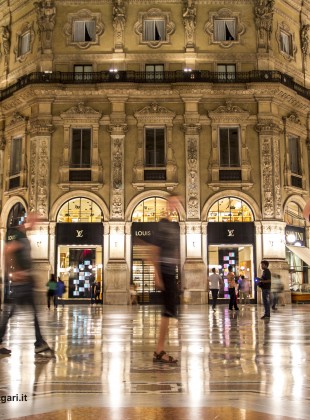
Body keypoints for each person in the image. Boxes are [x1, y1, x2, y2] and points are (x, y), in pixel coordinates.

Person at [0, 212, 53, 356]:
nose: (36, 223)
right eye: (34, 220)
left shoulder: (23, 235)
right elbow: (7, 252)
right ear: (28, 220)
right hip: (22, 282)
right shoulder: (17, 234)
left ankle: (39, 342)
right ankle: (39, 343)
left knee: (15, 312)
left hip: (26, 281)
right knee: (24, 312)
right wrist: (16, 272)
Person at [139, 194, 180, 364]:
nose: (175, 205)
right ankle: (159, 350)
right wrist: (157, 274)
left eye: (177, 202)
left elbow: (173, 250)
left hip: (171, 271)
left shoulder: (174, 226)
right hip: (164, 271)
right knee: (168, 311)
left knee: (170, 311)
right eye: (173, 202)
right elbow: (154, 250)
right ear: (167, 204)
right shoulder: (163, 225)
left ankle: (160, 349)